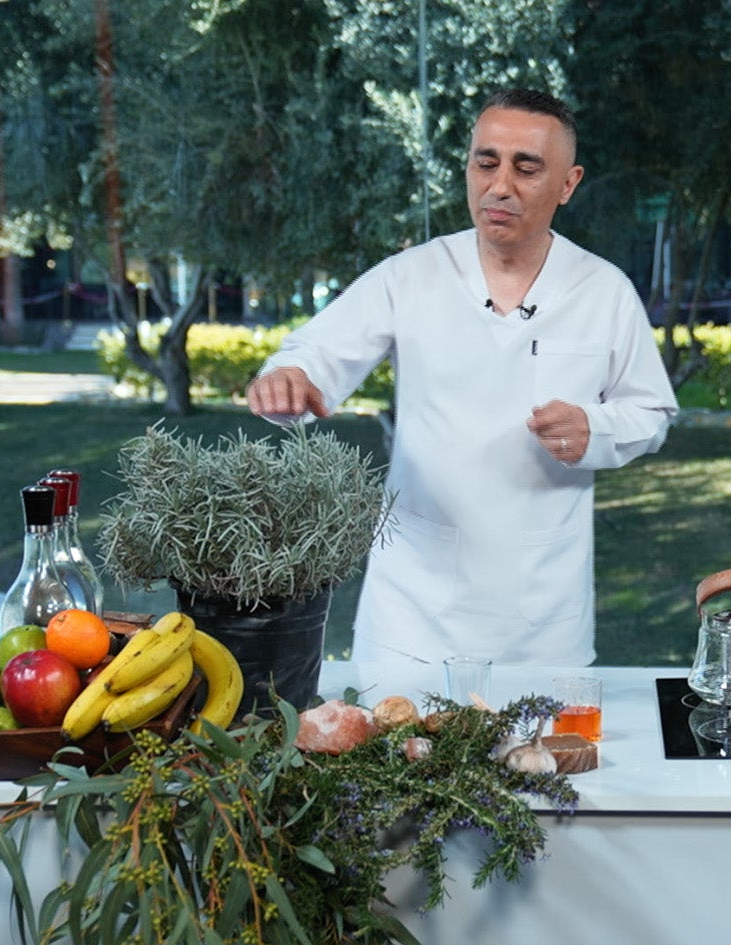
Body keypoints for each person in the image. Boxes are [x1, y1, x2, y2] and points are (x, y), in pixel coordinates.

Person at [246, 89, 677, 666]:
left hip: (540, 617)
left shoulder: (603, 291)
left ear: (568, 184)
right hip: (411, 615)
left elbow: (650, 412)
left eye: (526, 168)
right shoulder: (411, 275)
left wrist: (595, 429)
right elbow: (315, 353)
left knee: (540, 730)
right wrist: (289, 377)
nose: (500, 185)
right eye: (485, 162)